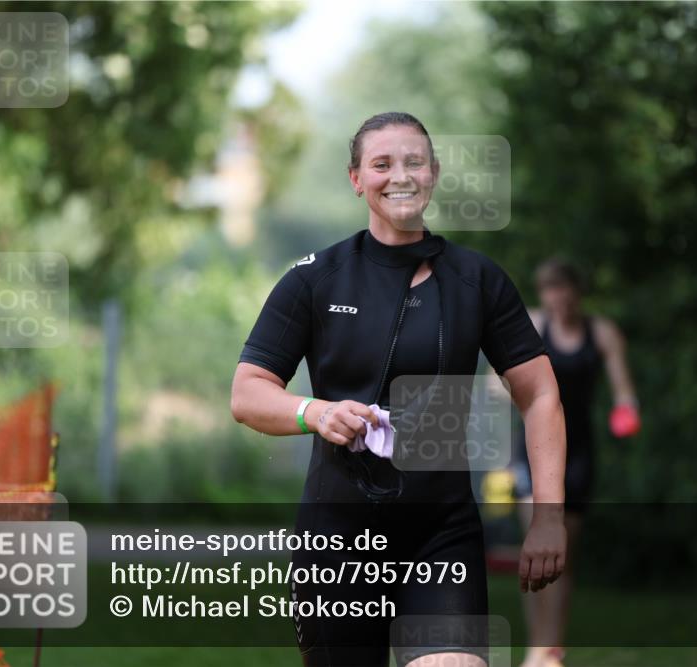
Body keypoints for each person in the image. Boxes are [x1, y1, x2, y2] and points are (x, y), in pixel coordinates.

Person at [230, 112, 568, 667]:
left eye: (414, 162)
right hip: (337, 536)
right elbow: (248, 392)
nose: (400, 175)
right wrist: (313, 411)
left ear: (433, 172)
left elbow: (540, 394)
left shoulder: (477, 280)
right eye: (381, 164)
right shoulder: (315, 279)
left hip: (440, 532)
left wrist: (548, 516)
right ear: (356, 179)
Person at [511, 258, 640, 667]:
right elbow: (505, 376)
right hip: (531, 449)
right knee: (534, 549)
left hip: (578, 453)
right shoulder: (531, 325)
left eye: (564, 288)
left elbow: (623, 391)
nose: (558, 297)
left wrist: (626, 412)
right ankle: (540, 649)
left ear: (577, 291)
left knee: (561, 555)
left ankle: (551, 649)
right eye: (549, 289)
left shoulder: (600, 333)